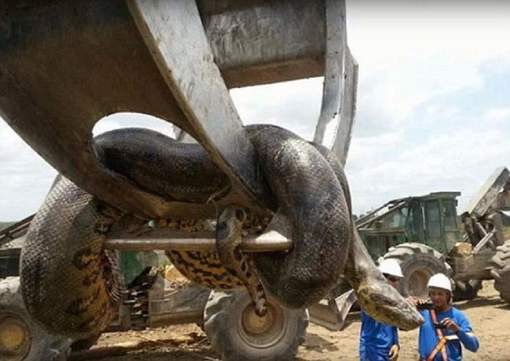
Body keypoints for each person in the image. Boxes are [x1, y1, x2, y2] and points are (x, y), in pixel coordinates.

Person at [409, 273, 479, 361]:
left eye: (440, 294)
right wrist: (409, 307)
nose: (436, 297)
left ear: (448, 295)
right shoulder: (424, 313)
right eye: (433, 294)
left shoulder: (458, 316)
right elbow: (402, 327)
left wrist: (457, 330)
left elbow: (474, 346)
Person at [359, 259, 403, 361]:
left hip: (388, 351)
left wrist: (396, 344)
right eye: (393, 279)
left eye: (398, 280)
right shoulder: (369, 298)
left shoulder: (391, 299)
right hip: (372, 351)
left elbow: (393, 326)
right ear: (382, 278)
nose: (396, 283)